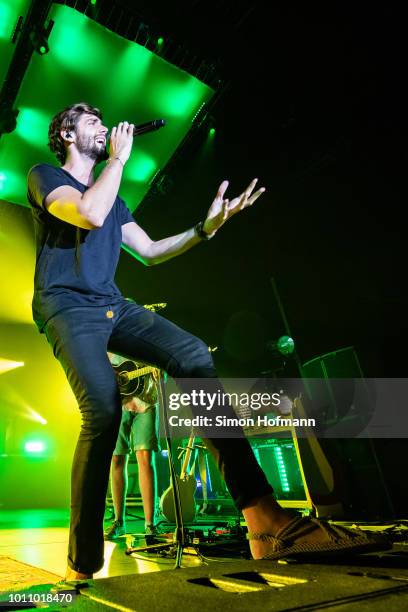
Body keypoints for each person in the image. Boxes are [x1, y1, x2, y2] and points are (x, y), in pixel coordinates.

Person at [27, 102, 389, 583]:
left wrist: (204, 229)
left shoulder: (113, 197)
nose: (104, 124)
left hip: (112, 303)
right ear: (68, 136)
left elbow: (151, 251)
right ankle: (81, 565)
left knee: (194, 355)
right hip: (66, 305)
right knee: (104, 409)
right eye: (91, 120)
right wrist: (117, 159)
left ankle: (264, 521)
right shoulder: (46, 175)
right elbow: (89, 215)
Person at [105, 353, 160, 539]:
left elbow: (158, 356)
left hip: (146, 399)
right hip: (117, 402)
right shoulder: (107, 333)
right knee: (116, 459)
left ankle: (150, 524)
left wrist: (160, 370)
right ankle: (119, 522)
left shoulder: (141, 328)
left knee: (145, 459)